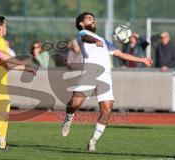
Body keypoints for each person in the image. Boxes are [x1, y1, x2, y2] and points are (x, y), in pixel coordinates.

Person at [61, 12, 152, 151]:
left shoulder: (103, 40)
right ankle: (69, 117)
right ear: (81, 23)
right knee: (75, 104)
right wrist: (94, 40)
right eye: (89, 18)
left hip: (106, 76)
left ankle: (92, 142)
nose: (93, 20)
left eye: (94, 18)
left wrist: (142, 59)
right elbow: (86, 38)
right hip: (90, 73)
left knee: (107, 111)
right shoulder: (83, 33)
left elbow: (120, 54)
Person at [0, 15, 36, 151]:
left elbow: (5, 63)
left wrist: (25, 68)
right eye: (5, 26)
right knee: (3, 113)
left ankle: (3, 144)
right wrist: (22, 61)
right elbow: (3, 56)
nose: (6, 28)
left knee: (3, 112)